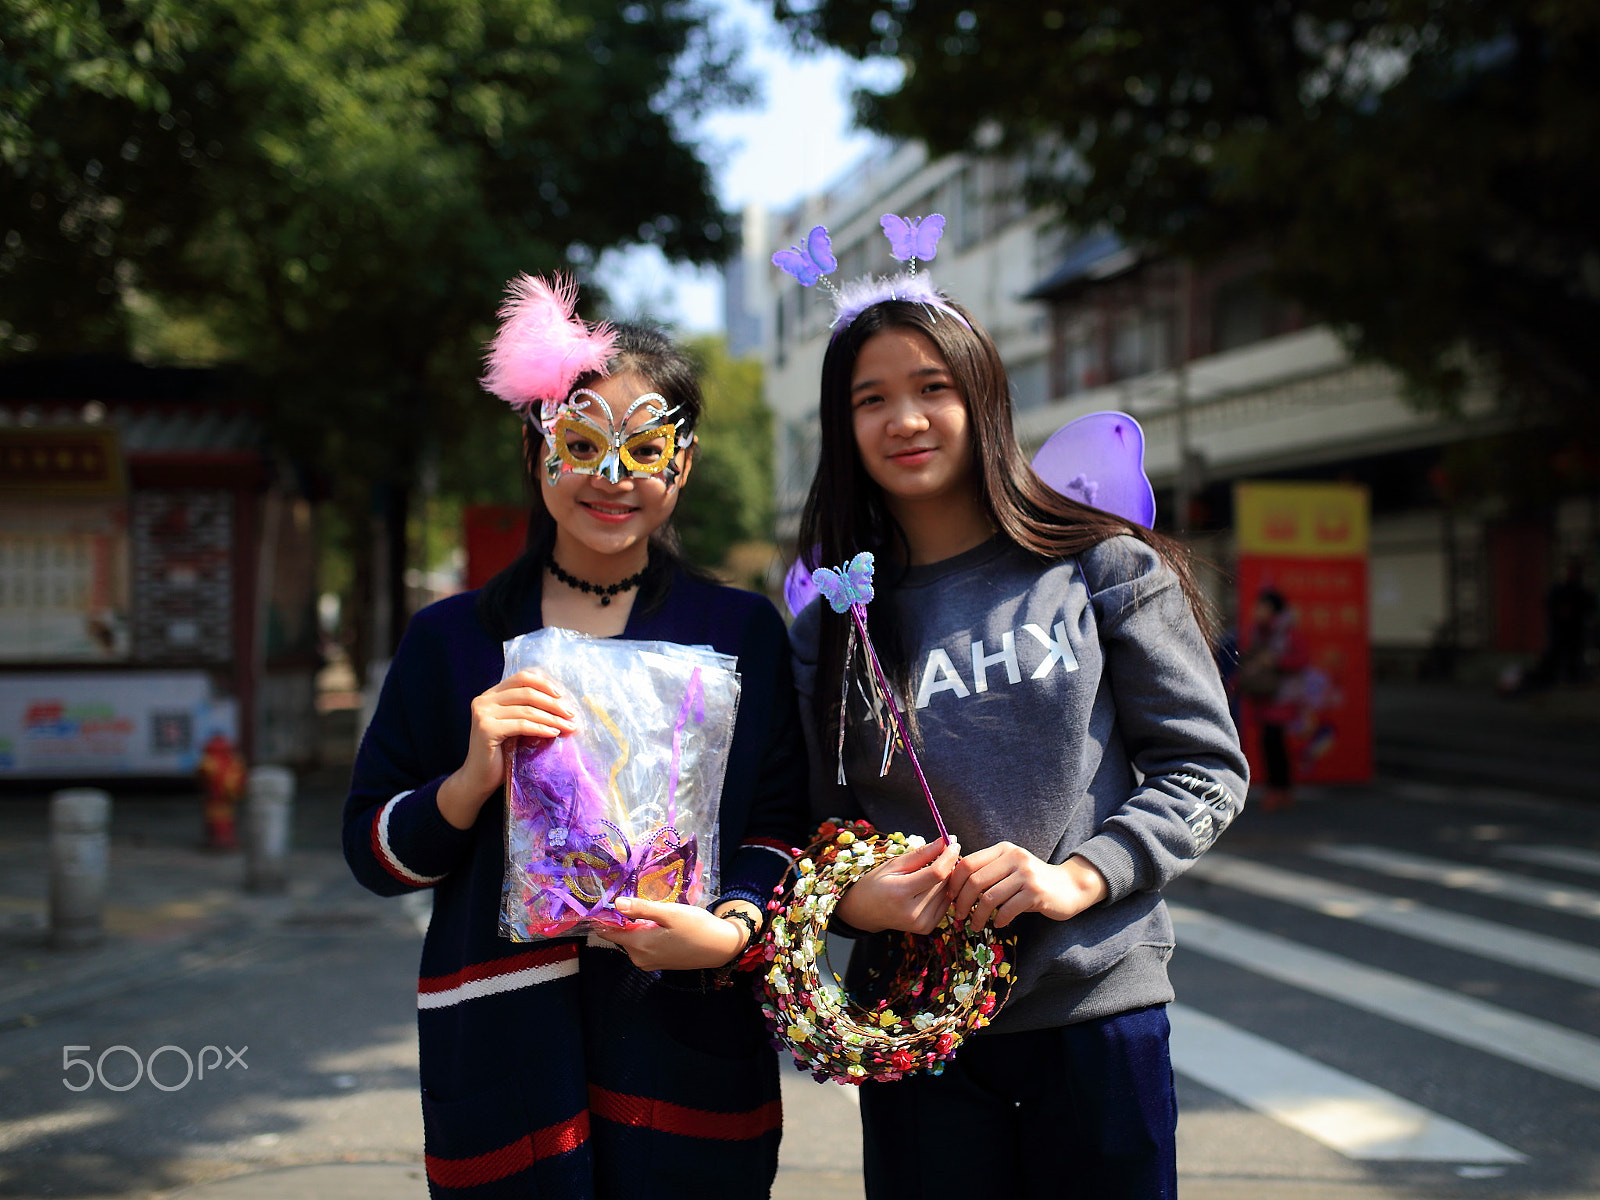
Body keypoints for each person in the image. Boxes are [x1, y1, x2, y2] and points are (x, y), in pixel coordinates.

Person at [343, 276, 806, 1200]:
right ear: (535, 450)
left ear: (684, 463)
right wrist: (467, 784)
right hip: (507, 1050)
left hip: (690, 1045)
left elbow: (783, 824)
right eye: (583, 445)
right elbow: (372, 851)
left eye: (645, 450)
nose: (612, 477)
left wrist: (736, 924)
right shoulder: (453, 640)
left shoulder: (739, 632)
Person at [788, 271, 1248, 1200]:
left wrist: (1080, 877)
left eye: (931, 387)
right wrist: (859, 900)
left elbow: (1206, 770)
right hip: (914, 1027)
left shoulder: (1102, 565)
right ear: (843, 430)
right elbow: (807, 833)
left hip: (1097, 1007)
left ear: (982, 393)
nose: (904, 419)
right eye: (870, 399)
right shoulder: (832, 625)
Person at [1236, 588, 1309, 810]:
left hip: (1282, 697)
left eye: (1262, 606)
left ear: (1273, 609)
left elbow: (1301, 660)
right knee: (1269, 743)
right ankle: (1276, 789)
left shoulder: (1287, 633)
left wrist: (1275, 661)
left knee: (1275, 743)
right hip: (1264, 697)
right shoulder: (1258, 631)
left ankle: (1281, 790)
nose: (1257, 610)